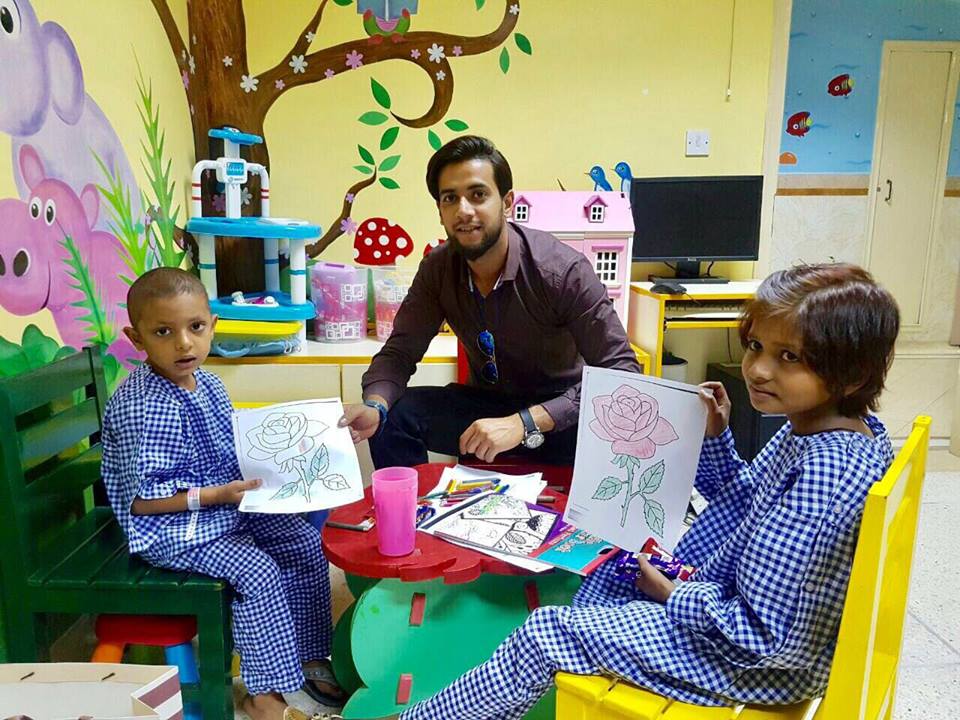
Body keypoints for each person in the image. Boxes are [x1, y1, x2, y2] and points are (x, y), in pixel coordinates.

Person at [388, 262, 900, 719]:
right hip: (737, 614)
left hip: (754, 664)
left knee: (547, 634)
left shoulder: (824, 475)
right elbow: (748, 502)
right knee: (604, 568)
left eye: (790, 357)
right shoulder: (822, 430)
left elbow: (762, 638)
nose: (758, 369)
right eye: (755, 346)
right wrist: (718, 437)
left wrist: (674, 594)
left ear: (851, 373)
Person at [100, 268, 345, 720]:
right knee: (259, 571)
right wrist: (214, 496)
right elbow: (143, 501)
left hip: (225, 505)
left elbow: (235, 446)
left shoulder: (208, 384)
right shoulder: (144, 404)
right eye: (163, 332)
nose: (184, 344)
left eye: (195, 328)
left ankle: (310, 656)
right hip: (173, 527)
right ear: (137, 339)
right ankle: (264, 694)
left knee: (305, 542)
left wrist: (289, 458)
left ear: (212, 325)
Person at [339, 135, 639, 467]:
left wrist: (525, 422)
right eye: (450, 198)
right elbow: (399, 352)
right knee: (393, 415)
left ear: (507, 202)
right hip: (484, 413)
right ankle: (415, 512)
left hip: (561, 420)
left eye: (478, 194)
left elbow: (622, 373)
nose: (464, 210)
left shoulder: (562, 271)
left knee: (605, 414)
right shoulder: (437, 269)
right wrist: (376, 404)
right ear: (440, 212)